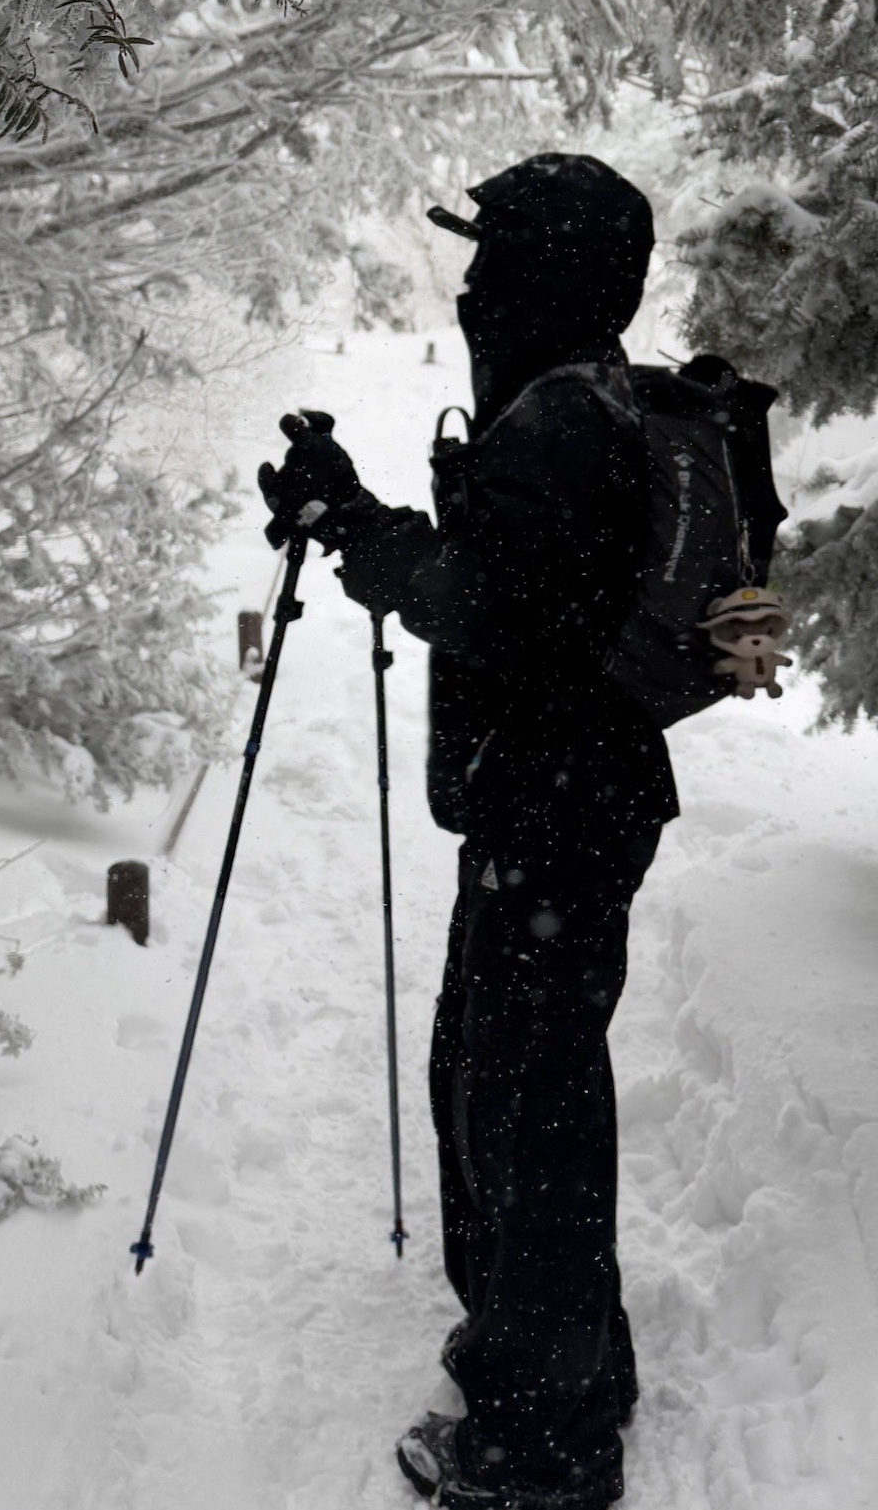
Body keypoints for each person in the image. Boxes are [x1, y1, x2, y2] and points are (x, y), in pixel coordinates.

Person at [257, 154, 675, 1510]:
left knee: (524, 1111)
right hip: (561, 800)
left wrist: (351, 523)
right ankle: (558, 1358)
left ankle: (545, 1442)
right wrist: (364, 519)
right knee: (511, 1087)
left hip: (559, 808)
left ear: (554, 270)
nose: (474, 281)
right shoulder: (574, 394)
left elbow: (484, 601)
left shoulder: (565, 422)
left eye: (498, 255)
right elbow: (504, 591)